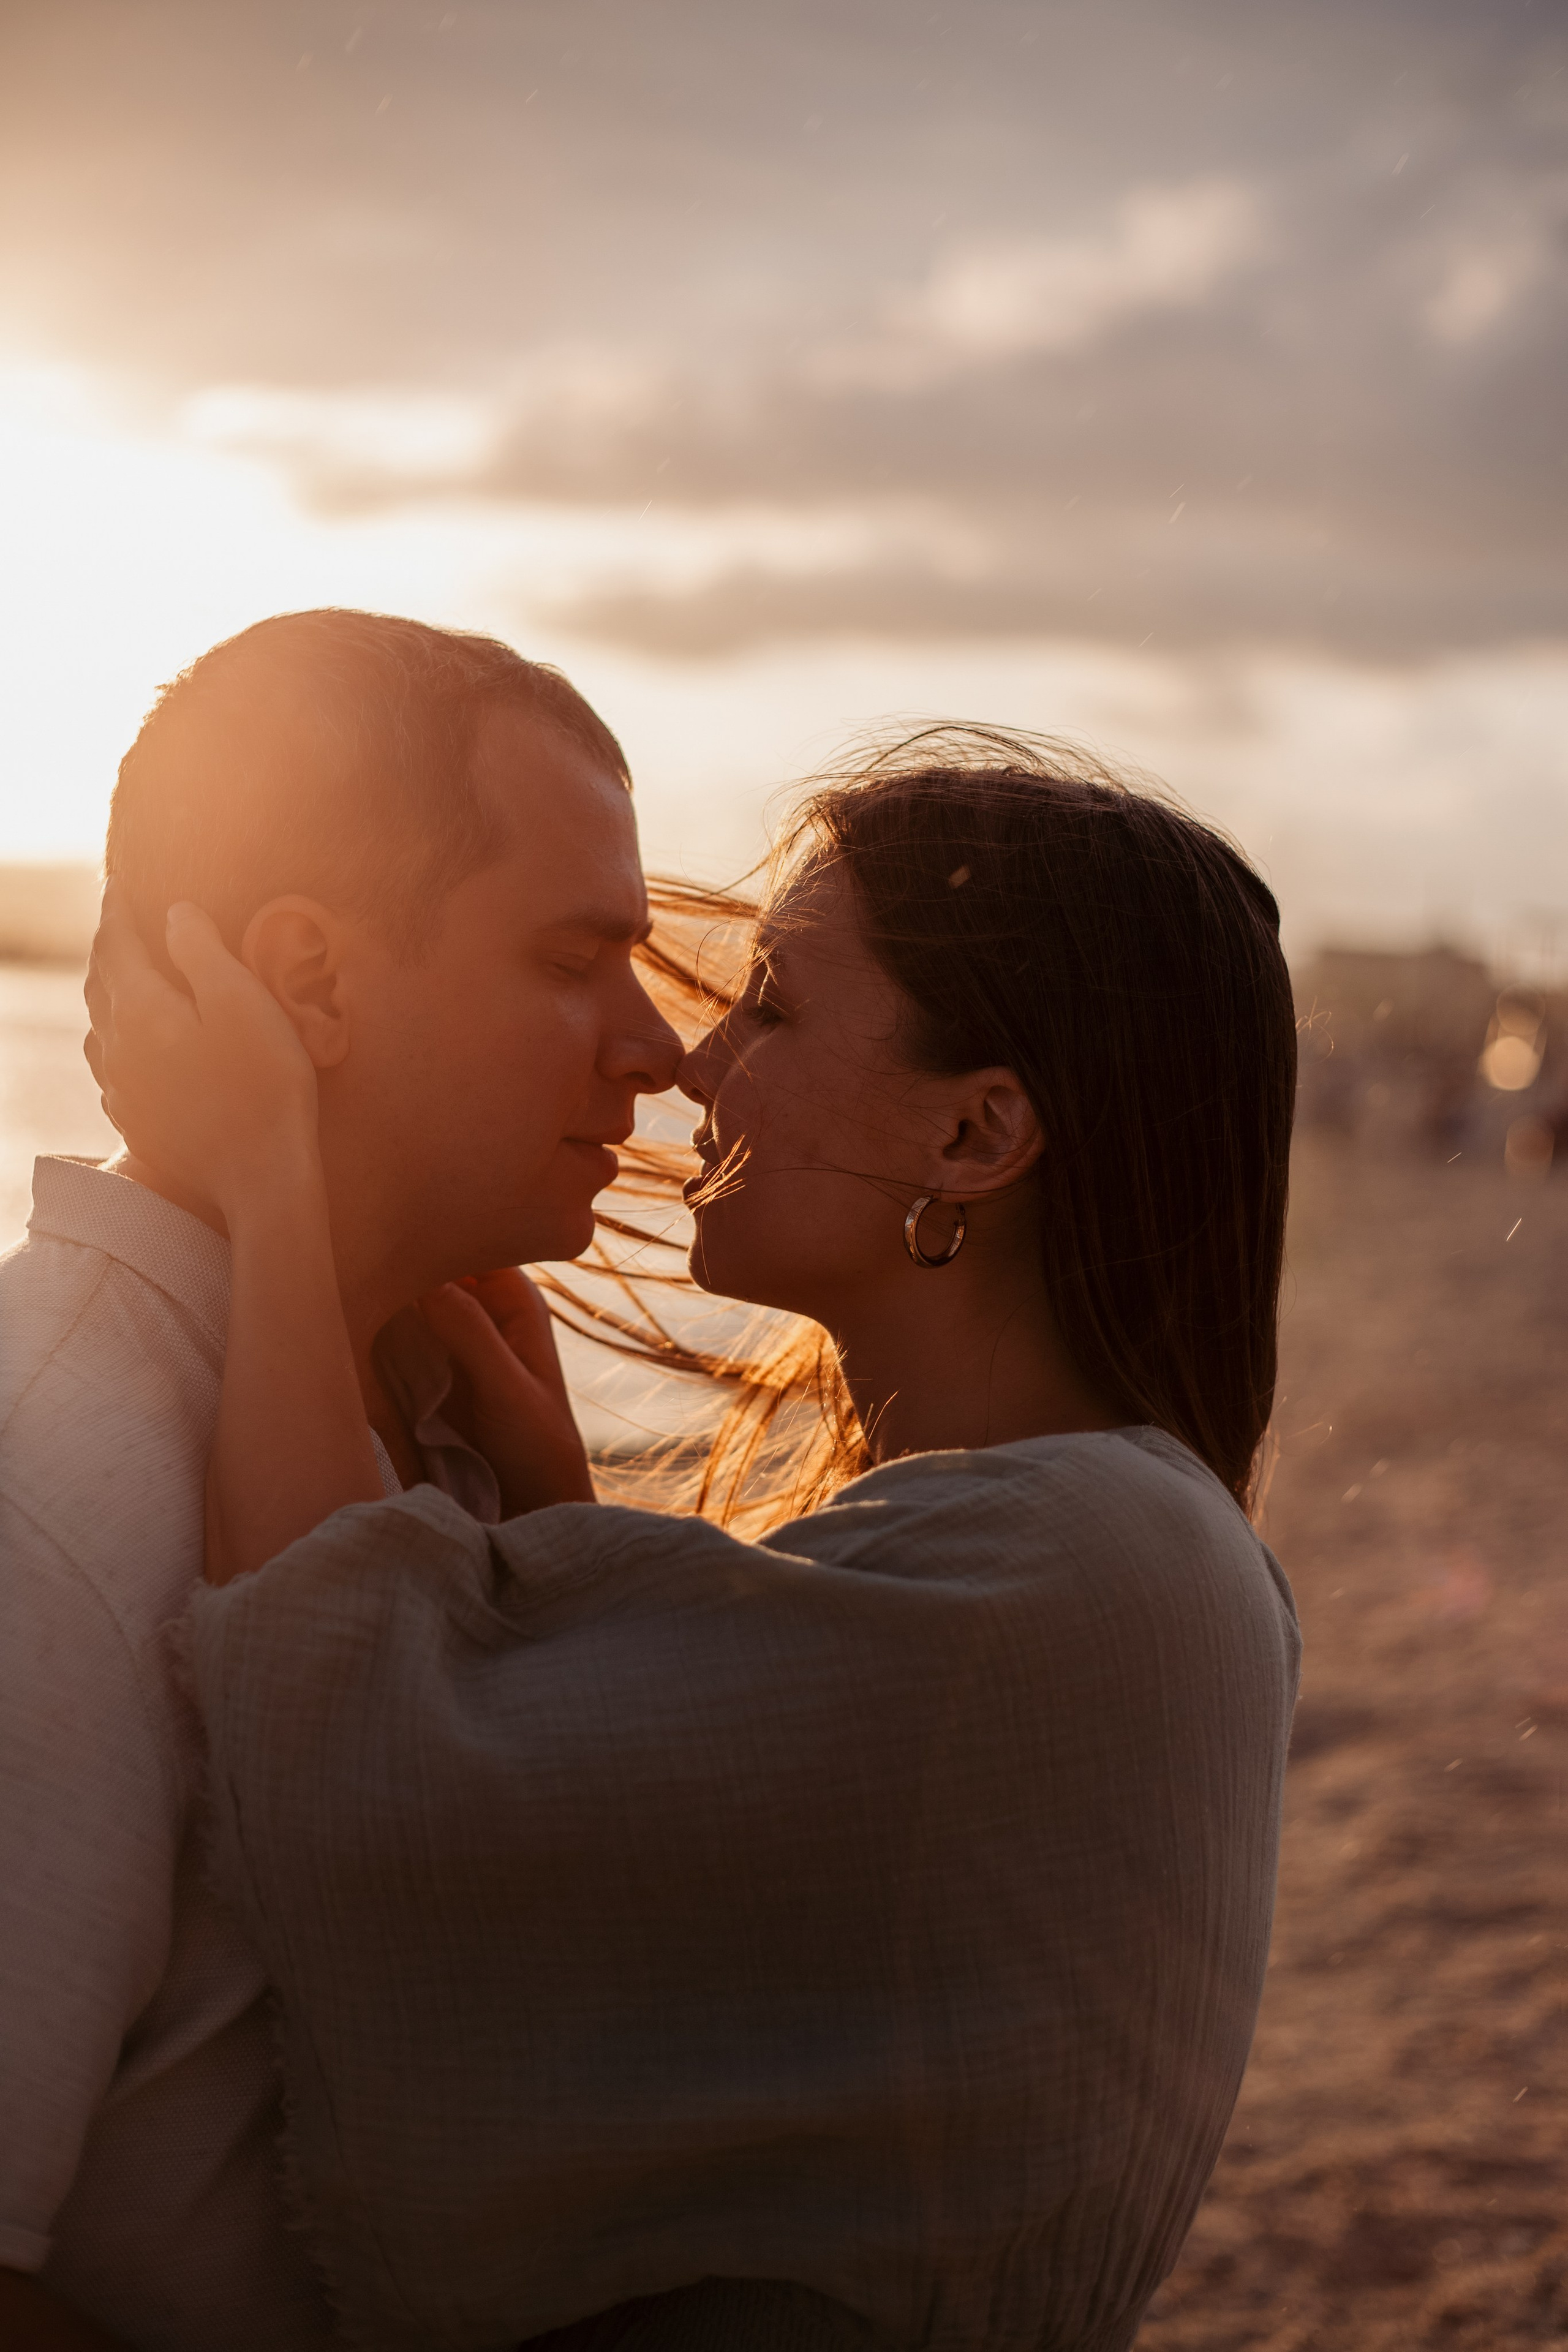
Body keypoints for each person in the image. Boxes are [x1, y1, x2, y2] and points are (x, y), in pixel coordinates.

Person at [86, 728, 1303, 2352]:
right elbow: (700, 1936)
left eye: (776, 1008)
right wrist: (562, 1531)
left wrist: (270, 1183)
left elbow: (355, 1763)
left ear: (976, 1138)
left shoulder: (1068, 1567)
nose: (689, 1061)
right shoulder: (1107, 1535)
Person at [0, 608, 680, 2351]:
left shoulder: (434, 1416)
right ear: (307, 981)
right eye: (570, 956)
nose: (654, 1046)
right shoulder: (52, 1487)